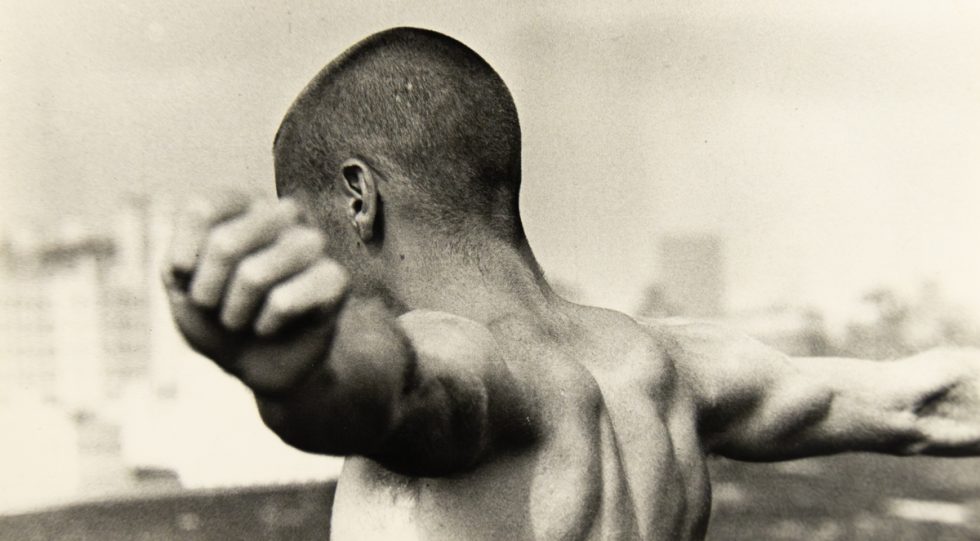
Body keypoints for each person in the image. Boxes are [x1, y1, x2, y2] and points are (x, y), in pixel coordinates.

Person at [162, 27, 980, 540]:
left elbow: (395, 388)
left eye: (305, 229)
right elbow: (921, 403)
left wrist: (297, 366)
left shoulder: (471, 364)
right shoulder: (674, 369)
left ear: (358, 197)